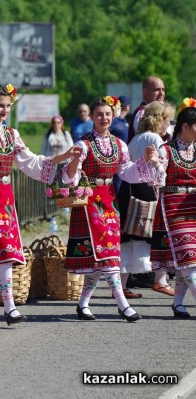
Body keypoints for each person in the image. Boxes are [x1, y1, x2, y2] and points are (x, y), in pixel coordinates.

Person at [0, 85, 78, 327]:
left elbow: (31, 162)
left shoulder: (11, 134)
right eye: (0, 106)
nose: (5, 110)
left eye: (8, 106)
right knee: (3, 254)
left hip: (5, 196)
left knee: (0, 259)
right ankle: (10, 308)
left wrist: (61, 157)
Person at [63, 96, 163, 322]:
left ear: (113, 115)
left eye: (107, 114)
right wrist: (72, 163)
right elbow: (70, 178)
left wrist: (144, 162)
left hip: (110, 201)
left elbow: (127, 172)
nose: (104, 118)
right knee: (107, 256)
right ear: (92, 117)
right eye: (99, 114)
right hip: (90, 202)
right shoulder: (83, 144)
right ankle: (123, 304)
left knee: (103, 257)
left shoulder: (119, 144)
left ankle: (83, 304)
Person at [118, 101, 175, 300]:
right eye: (167, 120)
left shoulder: (135, 139)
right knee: (157, 235)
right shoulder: (154, 138)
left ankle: (123, 285)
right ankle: (160, 280)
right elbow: (161, 167)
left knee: (129, 238)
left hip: (130, 190)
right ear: (159, 119)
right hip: (147, 190)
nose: (168, 124)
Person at [150, 100, 196, 318]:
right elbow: (156, 180)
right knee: (187, 256)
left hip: (193, 206)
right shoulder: (165, 150)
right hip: (173, 206)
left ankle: (178, 304)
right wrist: (156, 164)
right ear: (185, 127)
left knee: (187, 259)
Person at [128, 76, 165, 143]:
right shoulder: (142, 112)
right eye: (157, 90)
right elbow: (146, 140)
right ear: (145, 91)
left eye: (163, 90)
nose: (161, 93)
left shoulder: (159, 111)